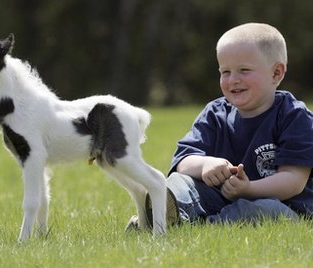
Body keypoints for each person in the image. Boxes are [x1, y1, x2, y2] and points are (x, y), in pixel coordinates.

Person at [127, 22, 313, 230]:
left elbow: (293, 181)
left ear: (276, 73)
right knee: (180, 182)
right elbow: (183, 161)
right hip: (220, 198)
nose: (233, 80)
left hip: (282, 204)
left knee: (265, 210)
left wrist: (248, 189)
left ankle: (194, 226)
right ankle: (161, 214)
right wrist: (205, 164)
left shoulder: (294, 116)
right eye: (225, 72)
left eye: (244, 70)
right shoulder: (215, 113)